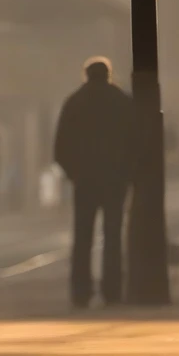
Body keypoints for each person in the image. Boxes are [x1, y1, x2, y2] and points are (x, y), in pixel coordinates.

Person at [53, 57, 135, 307]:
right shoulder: (121, 101)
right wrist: (127, 173)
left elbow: (60, 147)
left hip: (85, 180)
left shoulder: (74, 102)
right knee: (112, 235)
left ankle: (81, 292)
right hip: (114, 179)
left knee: (82, 238)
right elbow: (136, 141)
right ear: (108, 75)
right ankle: (112, 291)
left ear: (86, 75)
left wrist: (73, 173)